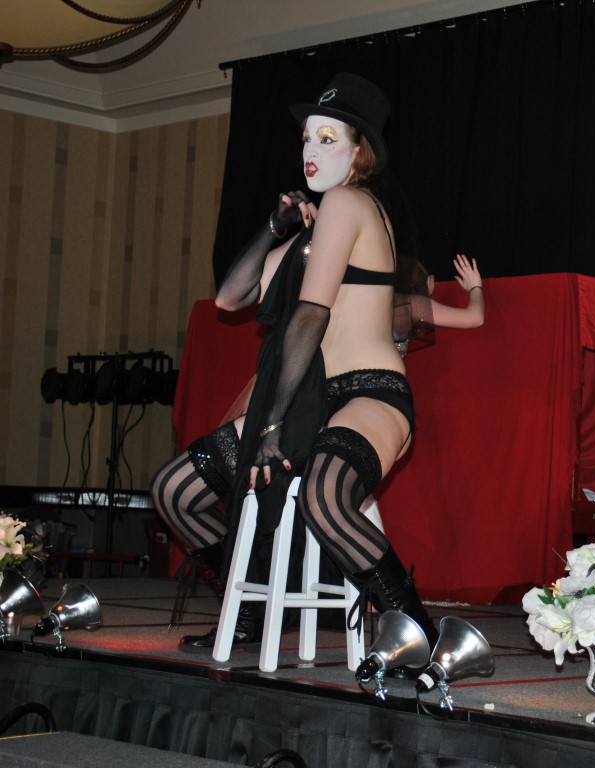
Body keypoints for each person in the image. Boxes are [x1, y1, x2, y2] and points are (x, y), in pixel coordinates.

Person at [150, 72, 455, 652]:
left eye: (327, 138)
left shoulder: (350, 202)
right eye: (308, 138)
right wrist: (276, 226)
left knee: (323, 495)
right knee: (174, 490)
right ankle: (250, 604)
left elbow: (310, 317)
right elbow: (230, 298)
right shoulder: (314, 230)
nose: (311, 150)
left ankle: (423, 636)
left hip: (368, 392)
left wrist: (271, 426)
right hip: (309, 397)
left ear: (359, 151)